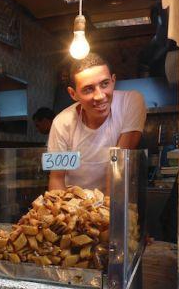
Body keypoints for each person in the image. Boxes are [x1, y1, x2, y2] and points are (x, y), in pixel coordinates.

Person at [48, 53, 146, 190]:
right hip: (73, 204)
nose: (100, 96)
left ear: (113, 80)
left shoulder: (131, 102)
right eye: (88, 89)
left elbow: (117, 166)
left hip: (112, 202)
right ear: (73, 94)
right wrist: (63, 211)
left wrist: (104, 210)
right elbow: (56, 178)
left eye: (105, 84)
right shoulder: (61, 123)